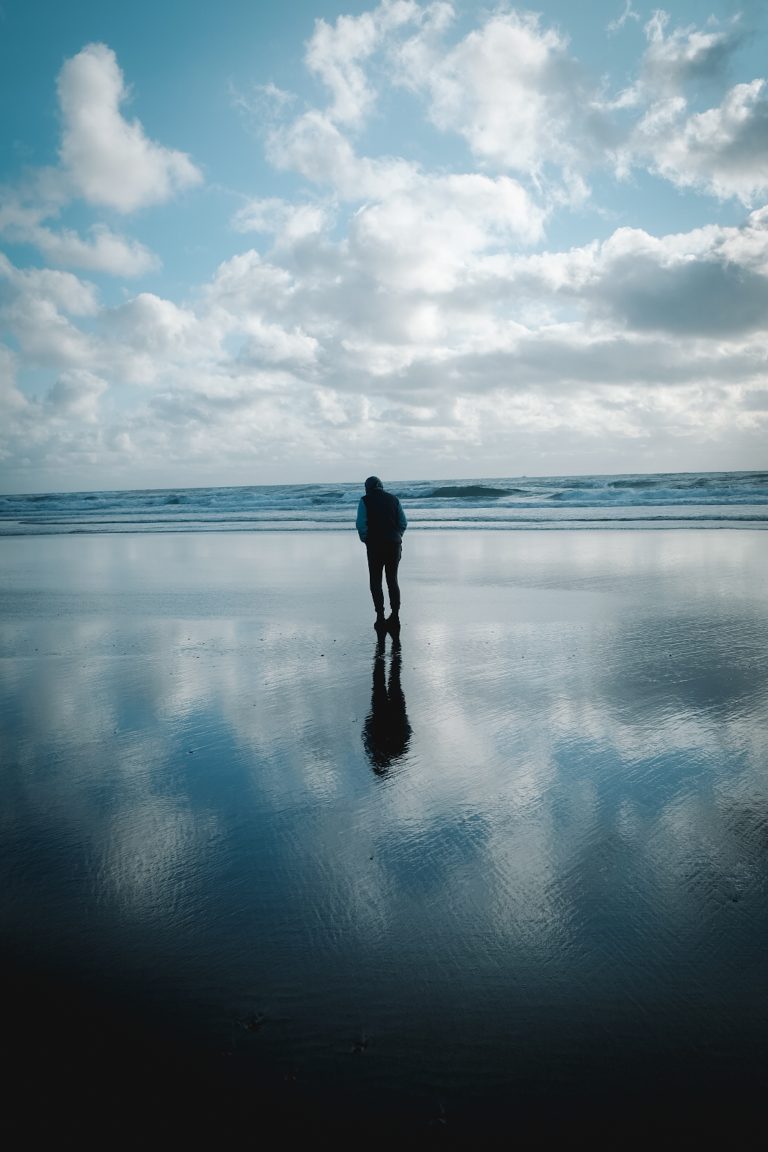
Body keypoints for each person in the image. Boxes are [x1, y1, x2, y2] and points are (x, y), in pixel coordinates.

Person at [356, 475, 407, 630]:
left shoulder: (365, 500)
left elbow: (361, 524)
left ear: (368, 487)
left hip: (375, 546)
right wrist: (397, 536)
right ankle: (395, 614)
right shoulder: (394, 499)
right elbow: (403, 523)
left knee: (375, 581)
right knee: (392, 580)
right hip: (394, 544)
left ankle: (380, 616)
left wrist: (366, 539)